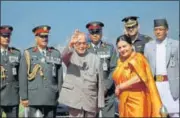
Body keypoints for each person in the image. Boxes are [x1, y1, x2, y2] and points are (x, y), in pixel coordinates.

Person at [112, 35, 163, 117]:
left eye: (124, 46)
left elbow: (139, 77)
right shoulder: (120, 61)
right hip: (124, 99)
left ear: (131, 45)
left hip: (137, 100)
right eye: (119, 48)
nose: (122, 50)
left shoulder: (138, 58)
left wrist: (120, 86)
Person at [19, 25, 63, 118]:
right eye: (41, 36)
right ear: (36, 37)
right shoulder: (28, 54)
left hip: (51, 96)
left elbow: (60, 78)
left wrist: (60, 95)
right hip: (34, 97)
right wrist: (24, 97)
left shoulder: (55, 53)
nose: (44, 38)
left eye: (46, 36)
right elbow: (22, 77)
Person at [58, 30, 105, 117]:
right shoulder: (70, 56)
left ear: (87, 44)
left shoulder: (96, 59)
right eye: (78, 43)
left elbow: (100, 83)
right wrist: (70, 43)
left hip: (90, 101)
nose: (81, 46)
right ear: (75, 44)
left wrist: (100, 104)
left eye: (84, 43)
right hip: (74, 101)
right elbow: (63, 56)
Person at [144, 19, 179, 117]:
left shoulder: (176, 45)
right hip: (155, 85)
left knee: (174, 114)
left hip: (171, 86)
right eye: (156, 30)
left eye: (160, 29)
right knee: (156, 113)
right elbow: (146, 68)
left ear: (166, 30)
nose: (158, 32)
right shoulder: (148, 46)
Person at [85, 21, 117, 117]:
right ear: (89, 34)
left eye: (97, 32)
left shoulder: (109, 48)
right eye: (92, 32)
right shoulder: (84, 49)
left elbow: (114, 68)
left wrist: (106, 87)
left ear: (101, 33)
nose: (95, 35)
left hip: (107, 93)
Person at [0, 25, 21, 118]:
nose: (6, 38)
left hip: (12, 96)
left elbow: (21, 76)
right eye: (3, 36)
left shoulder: (16, 53)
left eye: (8, 36)